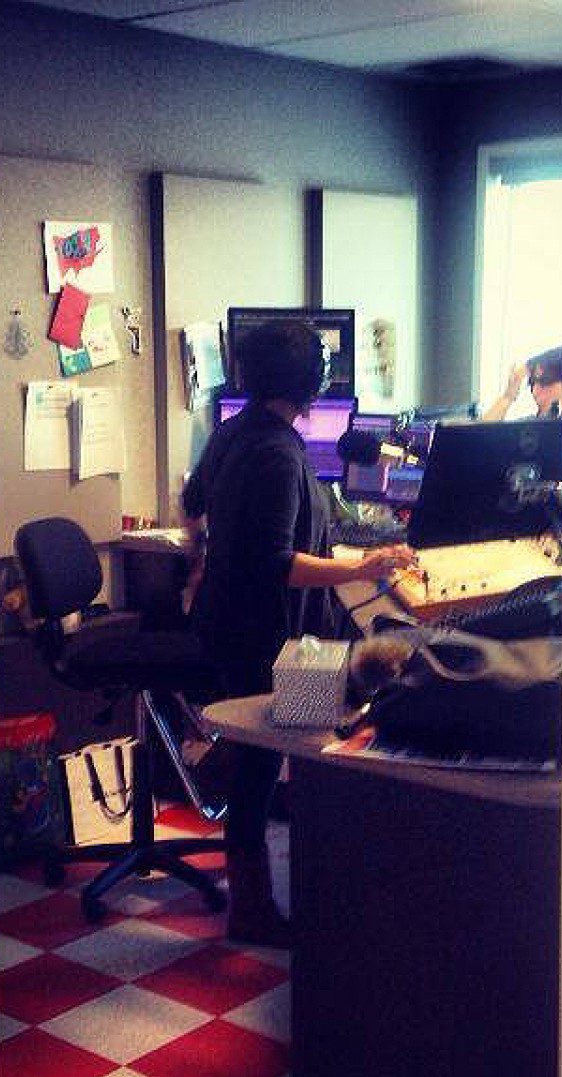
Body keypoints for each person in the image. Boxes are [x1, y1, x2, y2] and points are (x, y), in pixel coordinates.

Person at [182, 320, 416, 947]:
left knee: (258, 757)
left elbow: (191, 503)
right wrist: (364, 567)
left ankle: (248, 861)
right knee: (261, 766)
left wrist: (201, 559)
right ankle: (252, 911)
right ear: (311, 382)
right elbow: (277, 564)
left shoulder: (234, 431)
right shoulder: (279, 453)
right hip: (258, 631)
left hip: (226, 621)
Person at [481, 343, 562, 422]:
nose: (535, 391)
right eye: (532, 383)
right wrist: (508, 396)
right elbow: (480, 433)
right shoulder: (529, 426)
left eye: (545, 383)